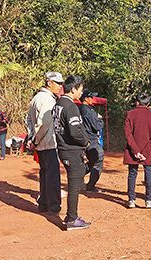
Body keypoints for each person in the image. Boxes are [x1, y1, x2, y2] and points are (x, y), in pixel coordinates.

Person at [52, 75, 90, 230]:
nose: (81, 92)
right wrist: (86, 143)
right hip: (71, 150)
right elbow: (75, 132)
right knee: (74, 185)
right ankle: (72, 218)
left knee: (74, 182)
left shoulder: (59, 103)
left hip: (63, 148)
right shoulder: (70, 106)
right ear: (73, 89)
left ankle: (71, 217)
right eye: (80, 89)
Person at [27, 71, 63, 213]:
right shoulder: (47, 99)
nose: (60, 86)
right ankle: (53, 206)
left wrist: (32, 138)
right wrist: (35, 140)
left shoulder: (36, 98)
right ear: (49, 83)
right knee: (52, 176)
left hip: (41, 144)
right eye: (57, 83)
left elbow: (29, 121)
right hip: (48, 142)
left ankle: (43, 204)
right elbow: (45, 124)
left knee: (44, 175)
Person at [124, 93, 151, 209]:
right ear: (148, 103)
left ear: (137, 102)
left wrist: (135, 150)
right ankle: (149, 200)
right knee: (149, 173)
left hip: (133, 150)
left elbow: (128, 134)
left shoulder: (130, 114)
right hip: (148, 151)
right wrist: (145, 152)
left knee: (132, 173)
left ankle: (131, 200)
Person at [80, 90, 104, 192]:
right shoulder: (89, 111)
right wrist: (100, 119)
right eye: (90, 97)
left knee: (92, 160)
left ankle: (78, 177)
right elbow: (97, 126)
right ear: (85, 99)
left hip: (82, 139)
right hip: (91, 140)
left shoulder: (78, 109)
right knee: (98, 159)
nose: (92, 99)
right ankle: (90, 185)